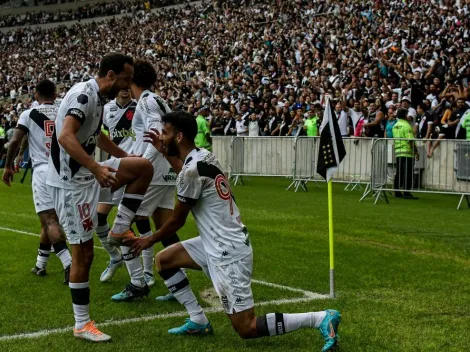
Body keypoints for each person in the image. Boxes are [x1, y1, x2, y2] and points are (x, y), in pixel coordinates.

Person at [128, 111, 341, 352]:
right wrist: (163, 151)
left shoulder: (191, 170)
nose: (161, 137)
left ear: (178, 137)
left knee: (246, 328)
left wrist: (149, 239)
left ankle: (320, 317)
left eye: (164, 133)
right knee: (164, 260)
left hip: (227, 252)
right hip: (218, 241)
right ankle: (198, 319)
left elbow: (177, 220)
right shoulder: (203, 156)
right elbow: (186, 175)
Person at [46, 53, 154, 342]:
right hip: (71, 185)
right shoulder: (84, 96)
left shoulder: (98, 98)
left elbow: (96, 136)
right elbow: (66, 137)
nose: (128, 86)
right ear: (110, 74)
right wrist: (95, 167)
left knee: (142, 167)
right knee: (84, 254)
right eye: (126, 79)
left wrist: (123, 156)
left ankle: (120, 227)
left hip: (90, 174)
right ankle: (82, 324)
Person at [109, 59, 181, 301]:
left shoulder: (146, 102)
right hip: (166, 173)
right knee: (165, 230)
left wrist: (143, 165)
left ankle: (138, 282)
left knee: (122, 227)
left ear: (131, 80)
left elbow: (156, 132)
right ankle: (177, 283)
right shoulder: (157, 99)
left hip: (154, 172)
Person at [2, 80, 72, 282]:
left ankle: (68, 262)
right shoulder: (63, 110)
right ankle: (40, 265)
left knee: (49, 219)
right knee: (50, 219)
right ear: (55, 93)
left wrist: (8, 165)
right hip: (64, 169)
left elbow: (15, 139)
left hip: (43, 171)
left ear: (35, 95)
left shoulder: (29, 114)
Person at [95, 88, 137, 282]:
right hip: (114, 168)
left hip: (134, 170)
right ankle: (114, 257)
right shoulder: (107, 109)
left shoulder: (140, 107)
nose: (125, 90)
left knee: (128, 223)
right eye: (122, 86)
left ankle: (139, 277)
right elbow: (98, 135)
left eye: (129, 86)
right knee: (98, 217)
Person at [392, 108, 419, 200]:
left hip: (398, 152)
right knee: (408, 173)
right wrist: (416, 152)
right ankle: (406, 192)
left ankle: (396, 191)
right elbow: (410, 141)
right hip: (407, 152)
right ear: (404, 115)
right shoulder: (406, 126)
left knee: (399, 172)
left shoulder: (395, 126)